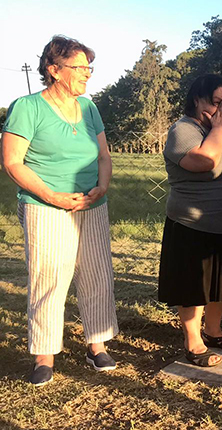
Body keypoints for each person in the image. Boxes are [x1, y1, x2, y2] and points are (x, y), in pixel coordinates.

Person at [2, 36, 118, 386]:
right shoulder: (27, 107)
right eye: (80, 68)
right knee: (49, 277)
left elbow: (104, 157)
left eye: (89, 67)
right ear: (54, 70)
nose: (87, 74)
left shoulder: (90, 108)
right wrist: (51, 196)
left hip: (91, 204)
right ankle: (44, 354)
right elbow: (11, 163)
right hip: (45, 206)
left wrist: (103, 185)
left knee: (97, 273)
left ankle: (96, 343)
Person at [158, 74, 222, 367]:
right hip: (194, 226)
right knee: (195, 287)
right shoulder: (184, 130)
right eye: (217, 102)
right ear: (197, 101)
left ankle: (213, 331)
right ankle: (193, 342)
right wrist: (218, 128)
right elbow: (206, 161)